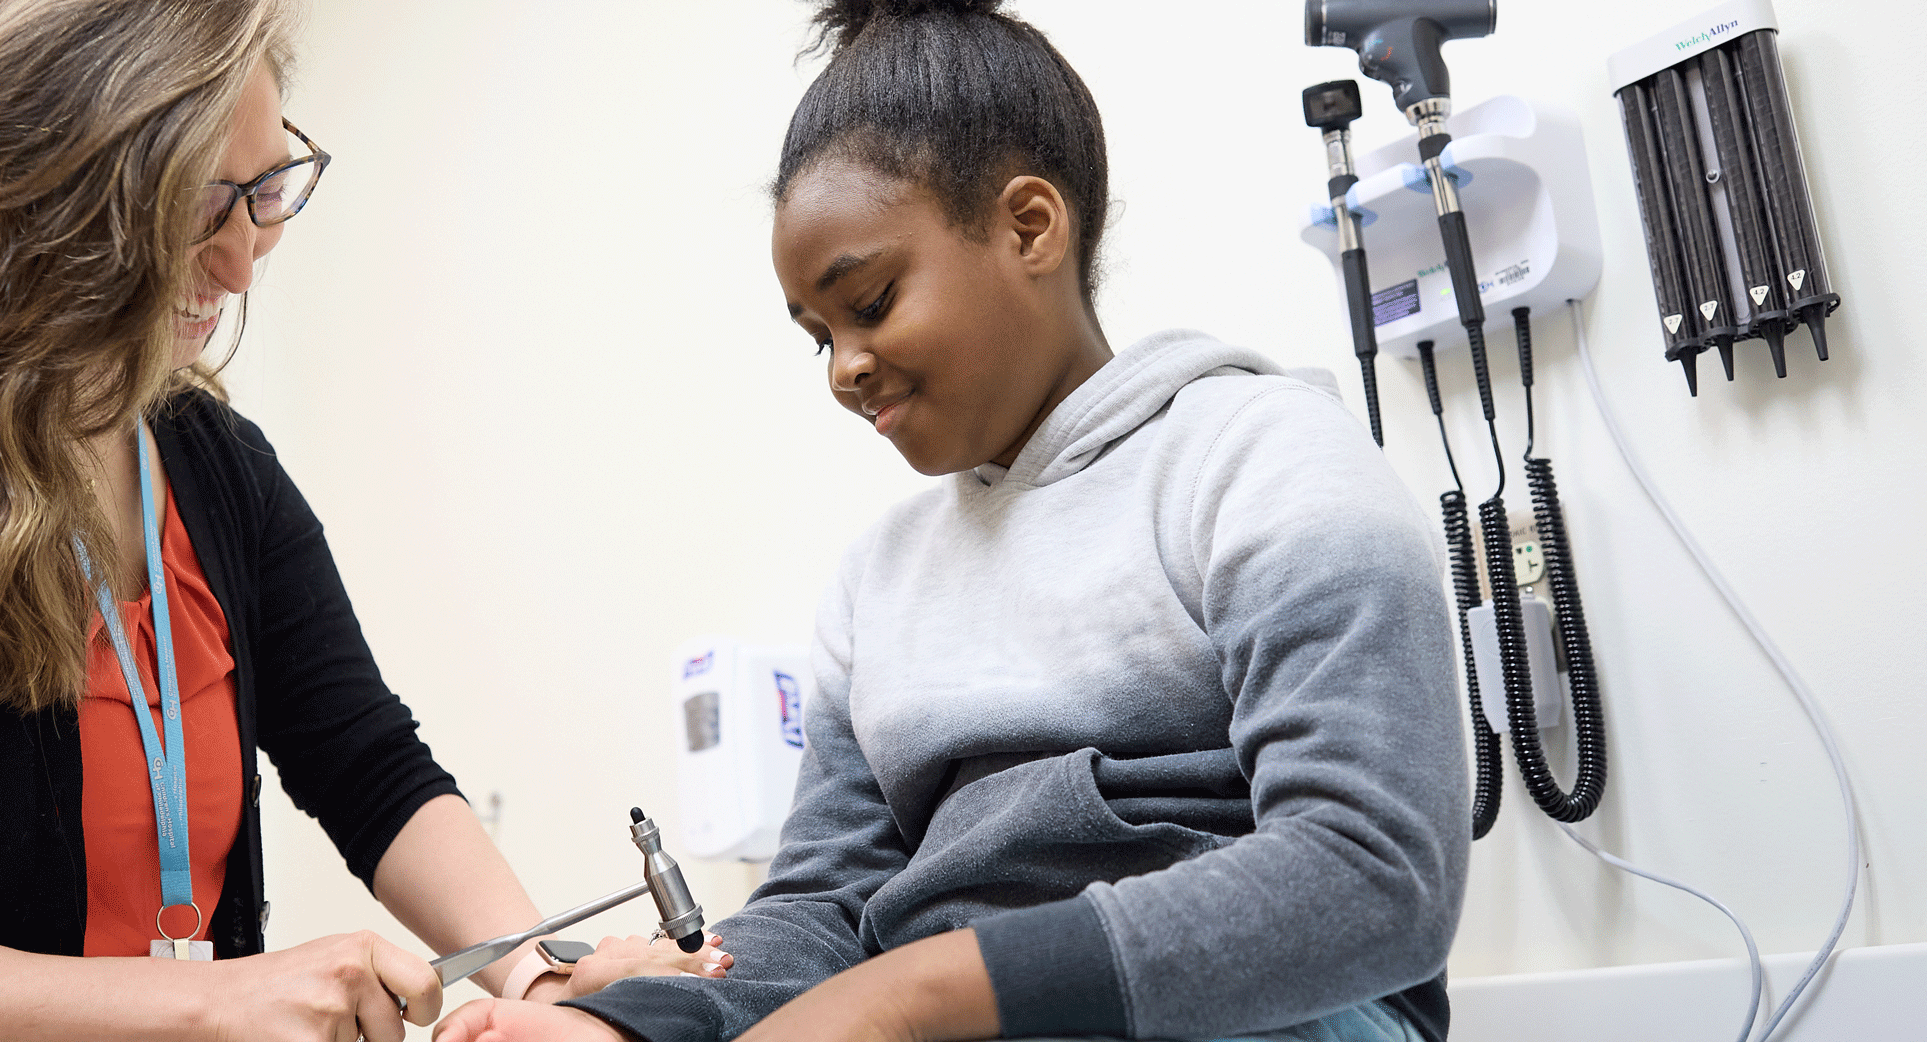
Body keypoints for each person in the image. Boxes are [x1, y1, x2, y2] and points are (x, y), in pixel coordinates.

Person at [0, 1, 724, 1039]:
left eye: (266, 187)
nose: (240, 259)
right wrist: (205, 1000)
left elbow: (366, 761)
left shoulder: (211, 464)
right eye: (190, 210)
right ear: (30, 188)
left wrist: (528, 970)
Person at [432, 2, 1467, 1041]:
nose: (844, 367)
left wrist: (902, 996)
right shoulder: (877, 582)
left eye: (871, 302)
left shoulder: (1261, 457)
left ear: (1029, 227)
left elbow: (1371, 874)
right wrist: (633, 1026)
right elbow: (823, 913)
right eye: (818, 336)